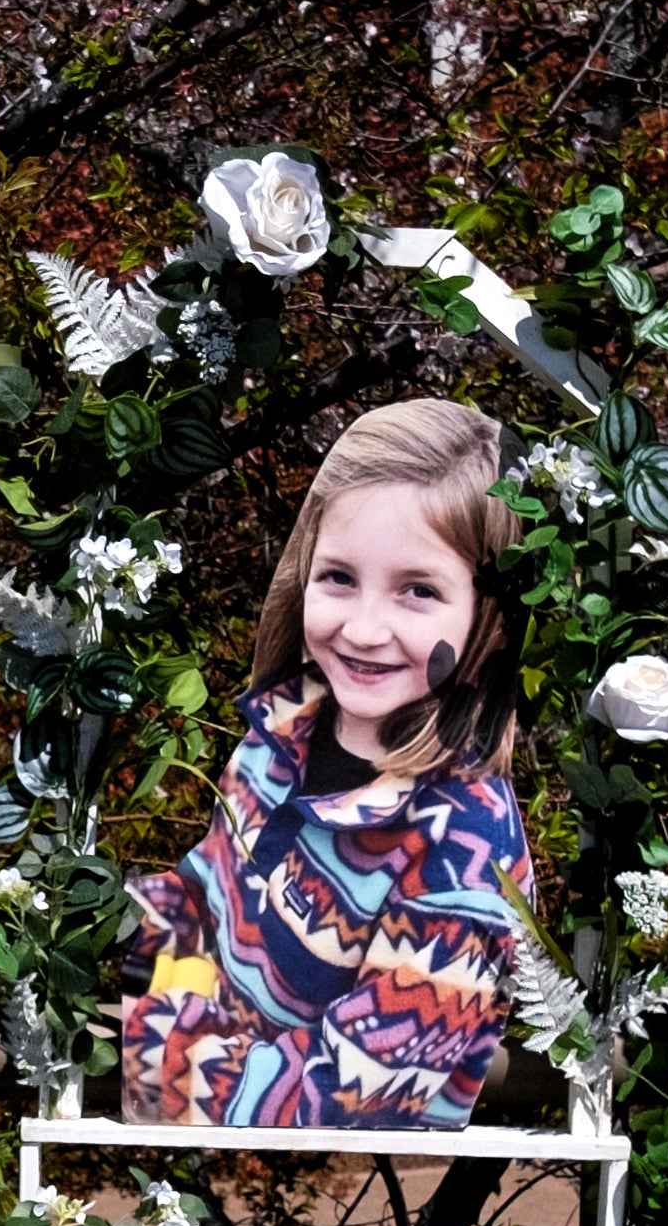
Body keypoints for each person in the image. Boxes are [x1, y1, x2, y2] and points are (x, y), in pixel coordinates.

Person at [119, 397, 537, 1128]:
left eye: (418, 591)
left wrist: (156, 1048)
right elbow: (191, 905)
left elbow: (355, 1102)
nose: (363, 628)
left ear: (490, 619)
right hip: (187, 1159)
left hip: (319, 1222)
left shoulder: (465, 850)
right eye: (338, 577)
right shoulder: (276, 736)